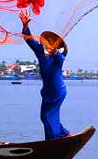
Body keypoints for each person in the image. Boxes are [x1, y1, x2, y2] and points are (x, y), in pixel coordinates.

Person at [20, 11, 70, 140]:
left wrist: (55, 53)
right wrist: (25, 26)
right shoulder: (40, 53)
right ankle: (63, 134)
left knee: (48, 117)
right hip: (48, 92)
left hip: (57, 92)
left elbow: (59, 59)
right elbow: (29, 40)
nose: (48, 45)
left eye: (52, 43)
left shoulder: (58, 58)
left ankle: (52, 141)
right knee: (45, 116)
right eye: (48, 42)